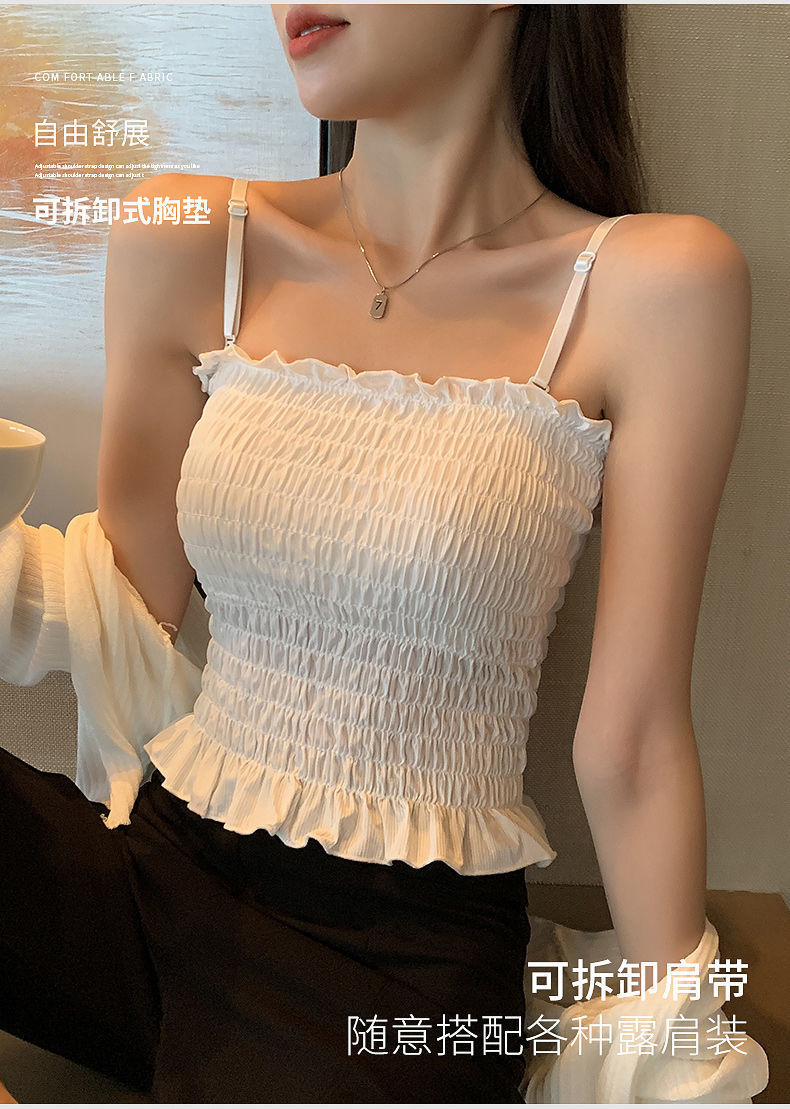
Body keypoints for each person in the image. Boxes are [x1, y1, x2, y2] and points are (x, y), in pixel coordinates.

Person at [0, 4, 766, 1104]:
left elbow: (632, 739)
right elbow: (123, 604)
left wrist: (673, 1055)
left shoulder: (655, 285)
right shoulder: (188, 236)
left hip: (398, 969)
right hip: (154, 868)